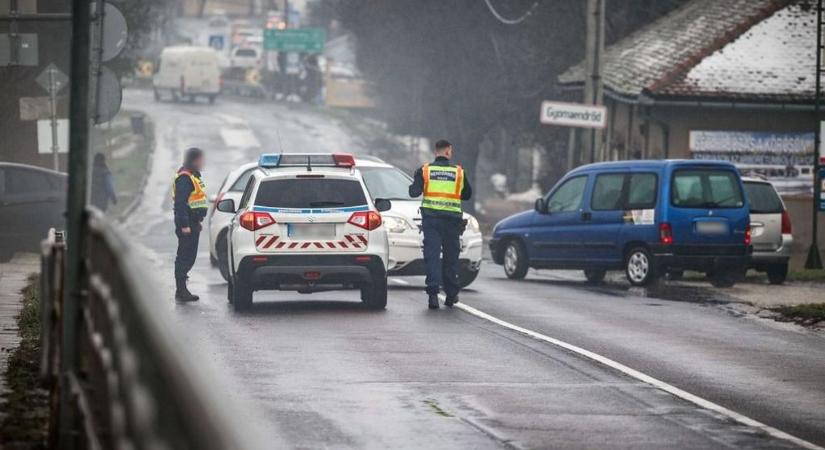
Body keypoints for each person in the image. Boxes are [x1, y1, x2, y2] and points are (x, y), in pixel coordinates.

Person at [409, 139, 472, 309]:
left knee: (432, 257)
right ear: (448, 151)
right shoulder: (459, 172)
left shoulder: (425, 170)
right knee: (451, 257)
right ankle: (451, 294)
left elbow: (413, 192)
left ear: (435, 152)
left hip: (431, 221)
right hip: (452, 222)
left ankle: (433, 295)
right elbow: (467, 194)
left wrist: (417, 178)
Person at [173, 148, 208, 302]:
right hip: (187, 225)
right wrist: (185, 224)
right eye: (201, 159)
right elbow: (180, 204)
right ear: (194, 160)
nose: (203, 162)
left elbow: (195, 201)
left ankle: (182, 289)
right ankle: (181, 290)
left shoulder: (193, 176)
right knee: (184, 257)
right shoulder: (185, 178)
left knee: (189, 257)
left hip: (193, 223)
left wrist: (198, 220)